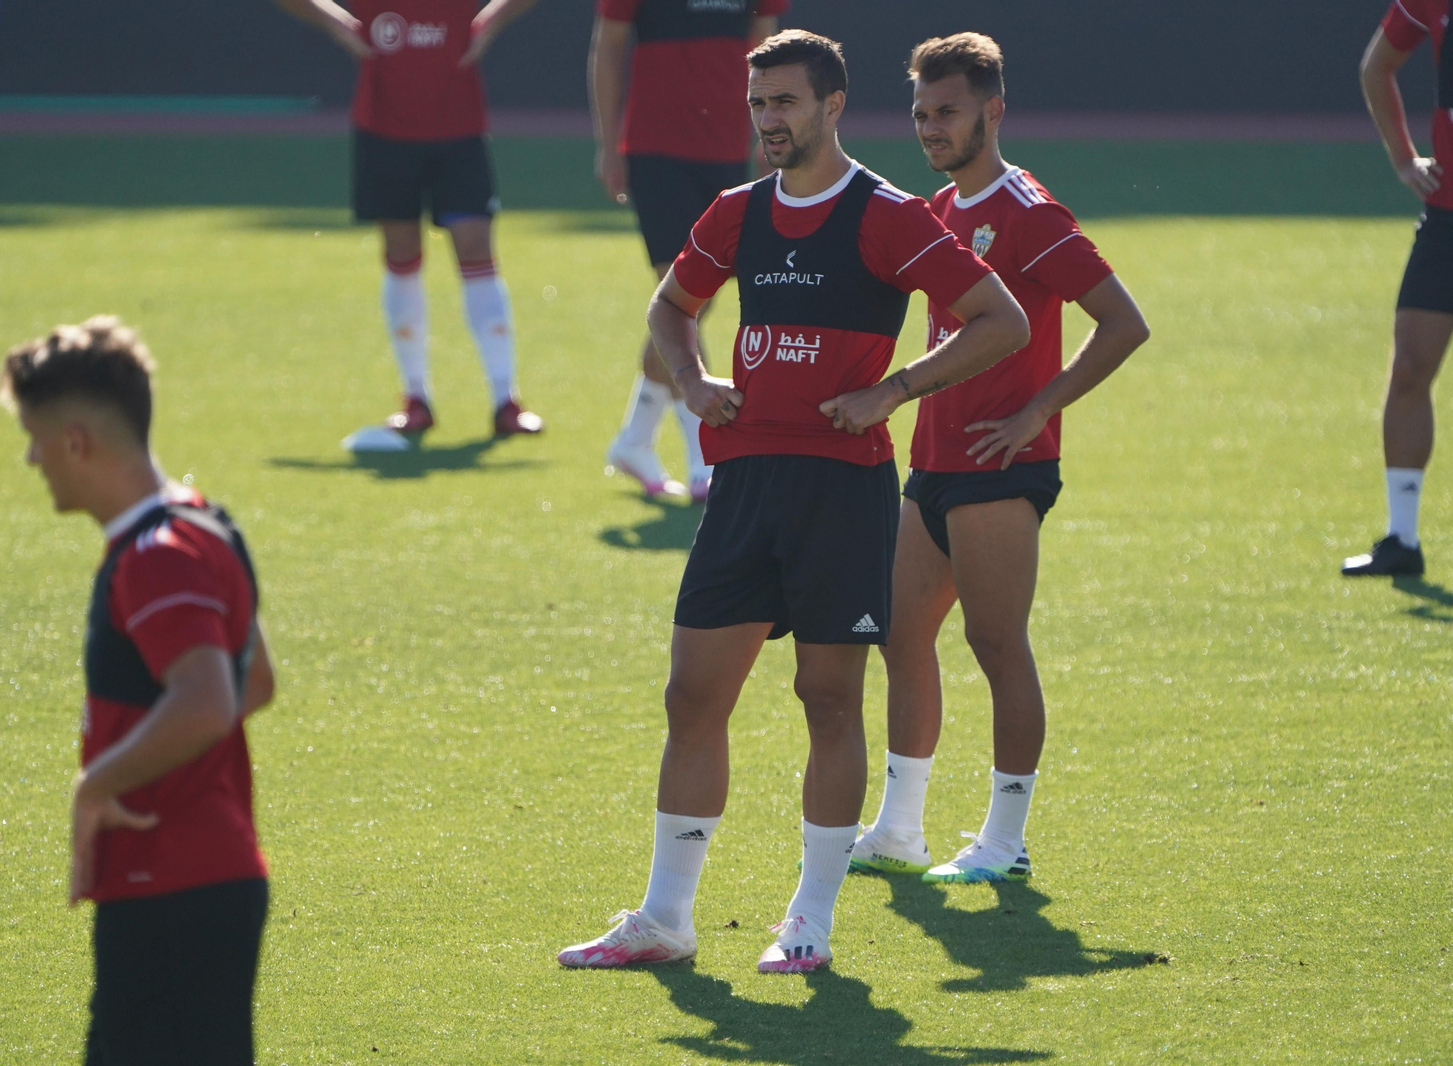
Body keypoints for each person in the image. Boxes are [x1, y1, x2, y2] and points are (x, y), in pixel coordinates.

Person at [557, 31, 1029, 974]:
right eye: (759, 103)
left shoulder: (886, 216)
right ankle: (665, 918)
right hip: (745, 487)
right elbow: (669, 306)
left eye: (787, 103)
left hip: (840, 490)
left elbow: (1001, 321)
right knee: (692, 695)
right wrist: (690, 385)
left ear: (833, 105)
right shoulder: (736, 212)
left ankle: (809, 920)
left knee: (827, 700)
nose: (770, 120)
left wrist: (894, 390)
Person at [850, 33, 1149, 885]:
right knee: (902, 637)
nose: (930, 128)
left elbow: (1124, 322)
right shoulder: (938, 212)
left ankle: (1004, 841)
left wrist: (1038, 408)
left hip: (999, 467)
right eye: (919, 113)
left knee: (994, 643)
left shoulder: (1029, 210)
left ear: (994, 110)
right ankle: (900, 828)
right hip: (933, 459)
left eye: (946, 112)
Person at [0, 317, 277, 1064]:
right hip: (212, 881)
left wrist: (97, 786)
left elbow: (209, 699)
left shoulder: (155, 557)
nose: (30, 458)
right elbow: (254, 679)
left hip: (167, 889)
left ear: (77, 441)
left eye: (33, 437)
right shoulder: (206, 523)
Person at [275, 0, 544, 446]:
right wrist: (336, 22)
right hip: (384, 128)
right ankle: (416, 398)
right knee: (401, 252)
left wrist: (493, 19)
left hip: (458, 127)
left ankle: (505, 400)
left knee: (475, 246)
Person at [591, 0, 785, 501]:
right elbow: (609, 48)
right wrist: (608, 144)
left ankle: (634, 439)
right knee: (682, 302)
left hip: (725, 150)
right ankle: (705, 462)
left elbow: (767, 53)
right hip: (656, 150)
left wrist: (768, 139)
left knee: (697, 301)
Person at [1343, 0, 1452, 576]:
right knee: (1410, 367)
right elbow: (1375, 66)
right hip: (1448, 217)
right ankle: (1402, 540)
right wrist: (1404, 158)